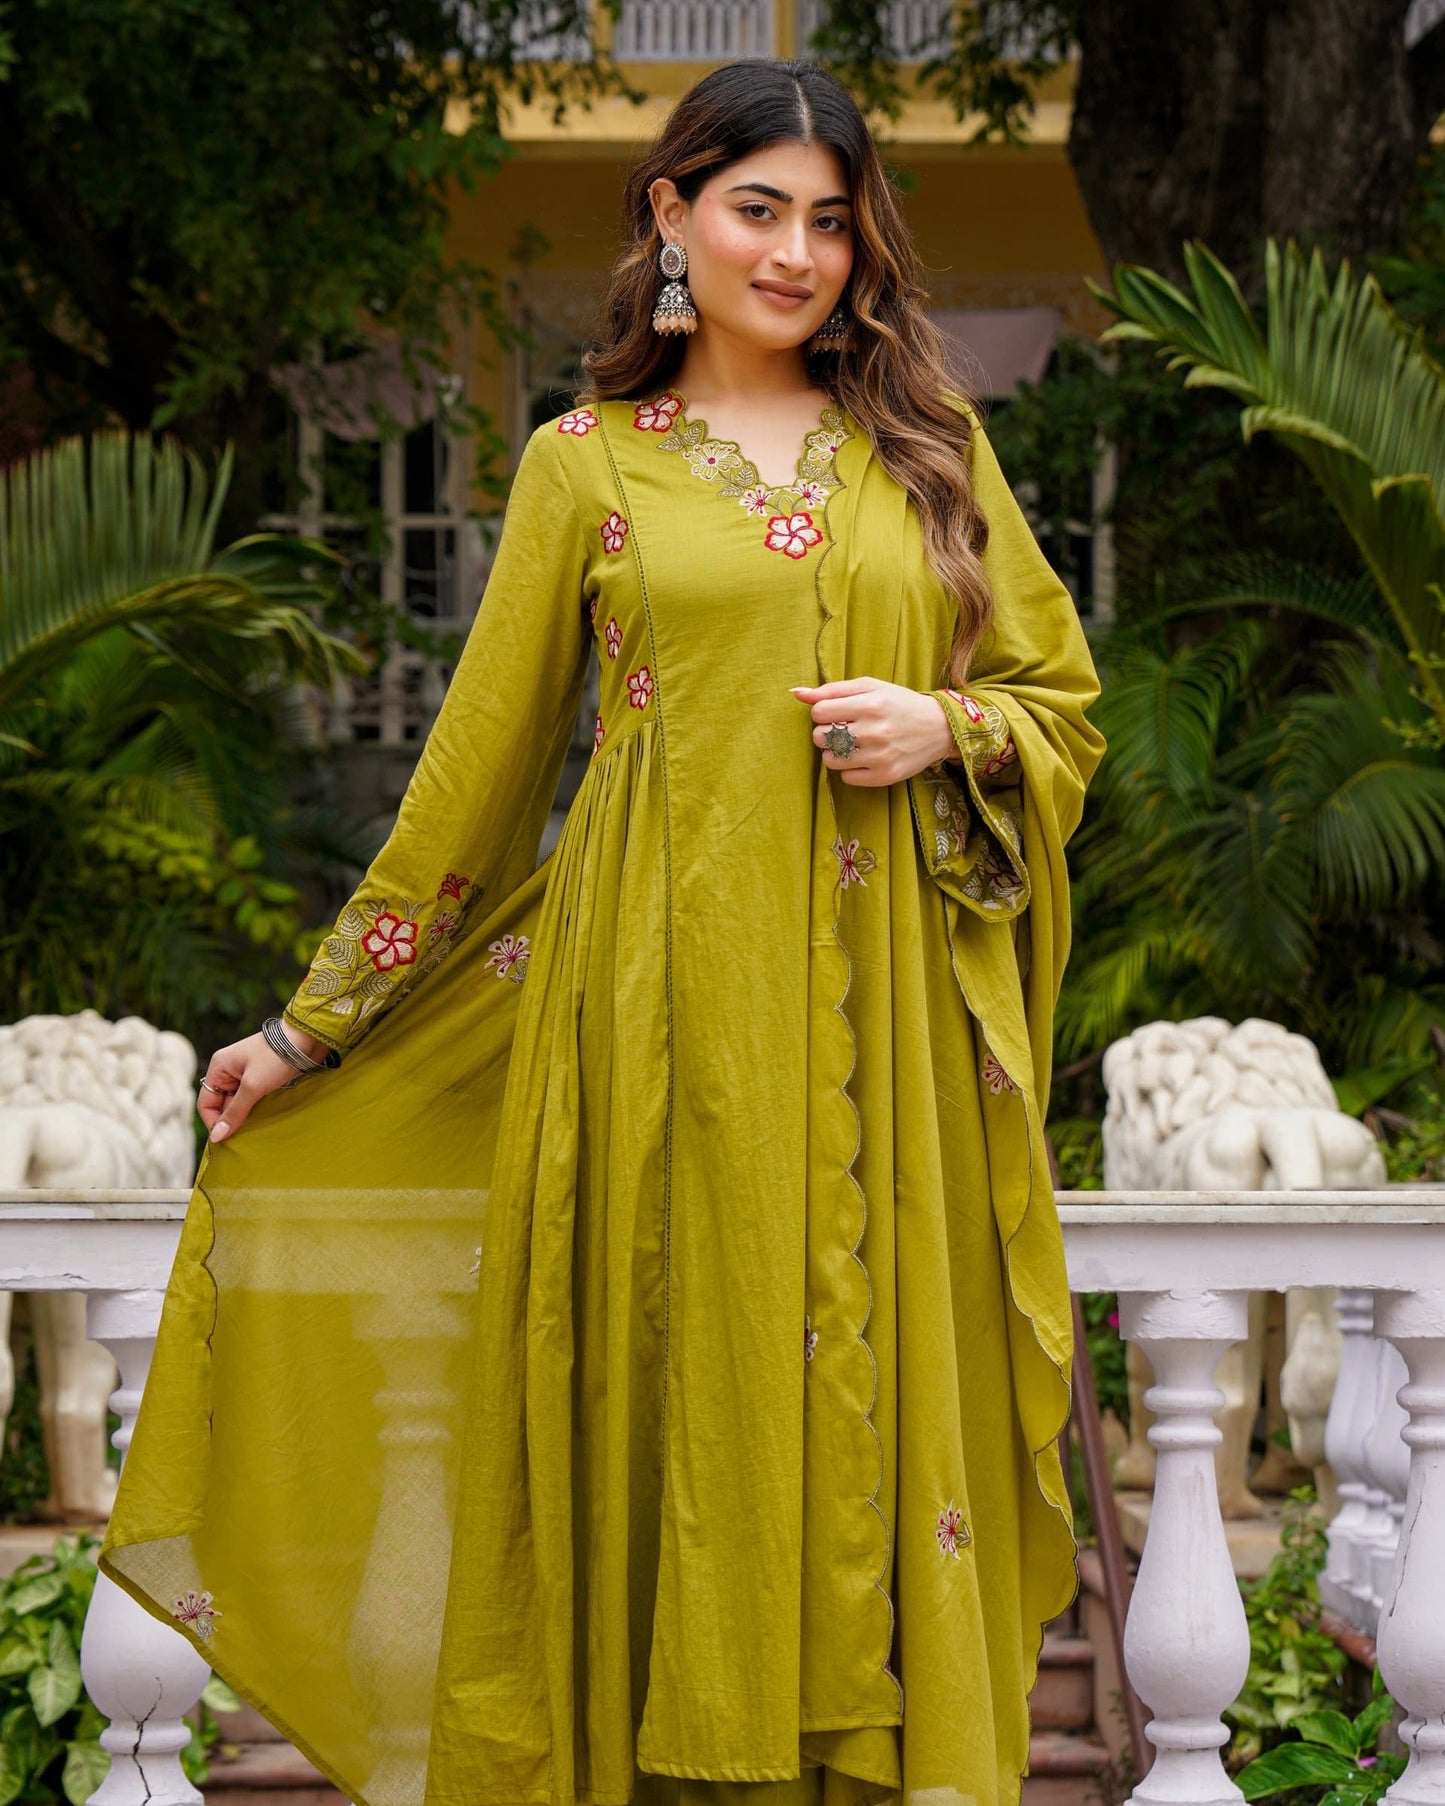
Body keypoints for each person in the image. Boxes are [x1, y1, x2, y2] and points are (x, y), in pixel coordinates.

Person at [100, 57, 1105, 1806]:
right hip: (658, 1023)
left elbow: (1058, 698)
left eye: (828, 221)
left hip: (886, 1043)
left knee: (874, 1404)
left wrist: (955, 730)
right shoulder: (586, 467)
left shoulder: (927, 450)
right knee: (674, 1415)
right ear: (670, 214)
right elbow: (472, 783)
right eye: (755, 208)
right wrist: (306, 1030)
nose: (795, 254)